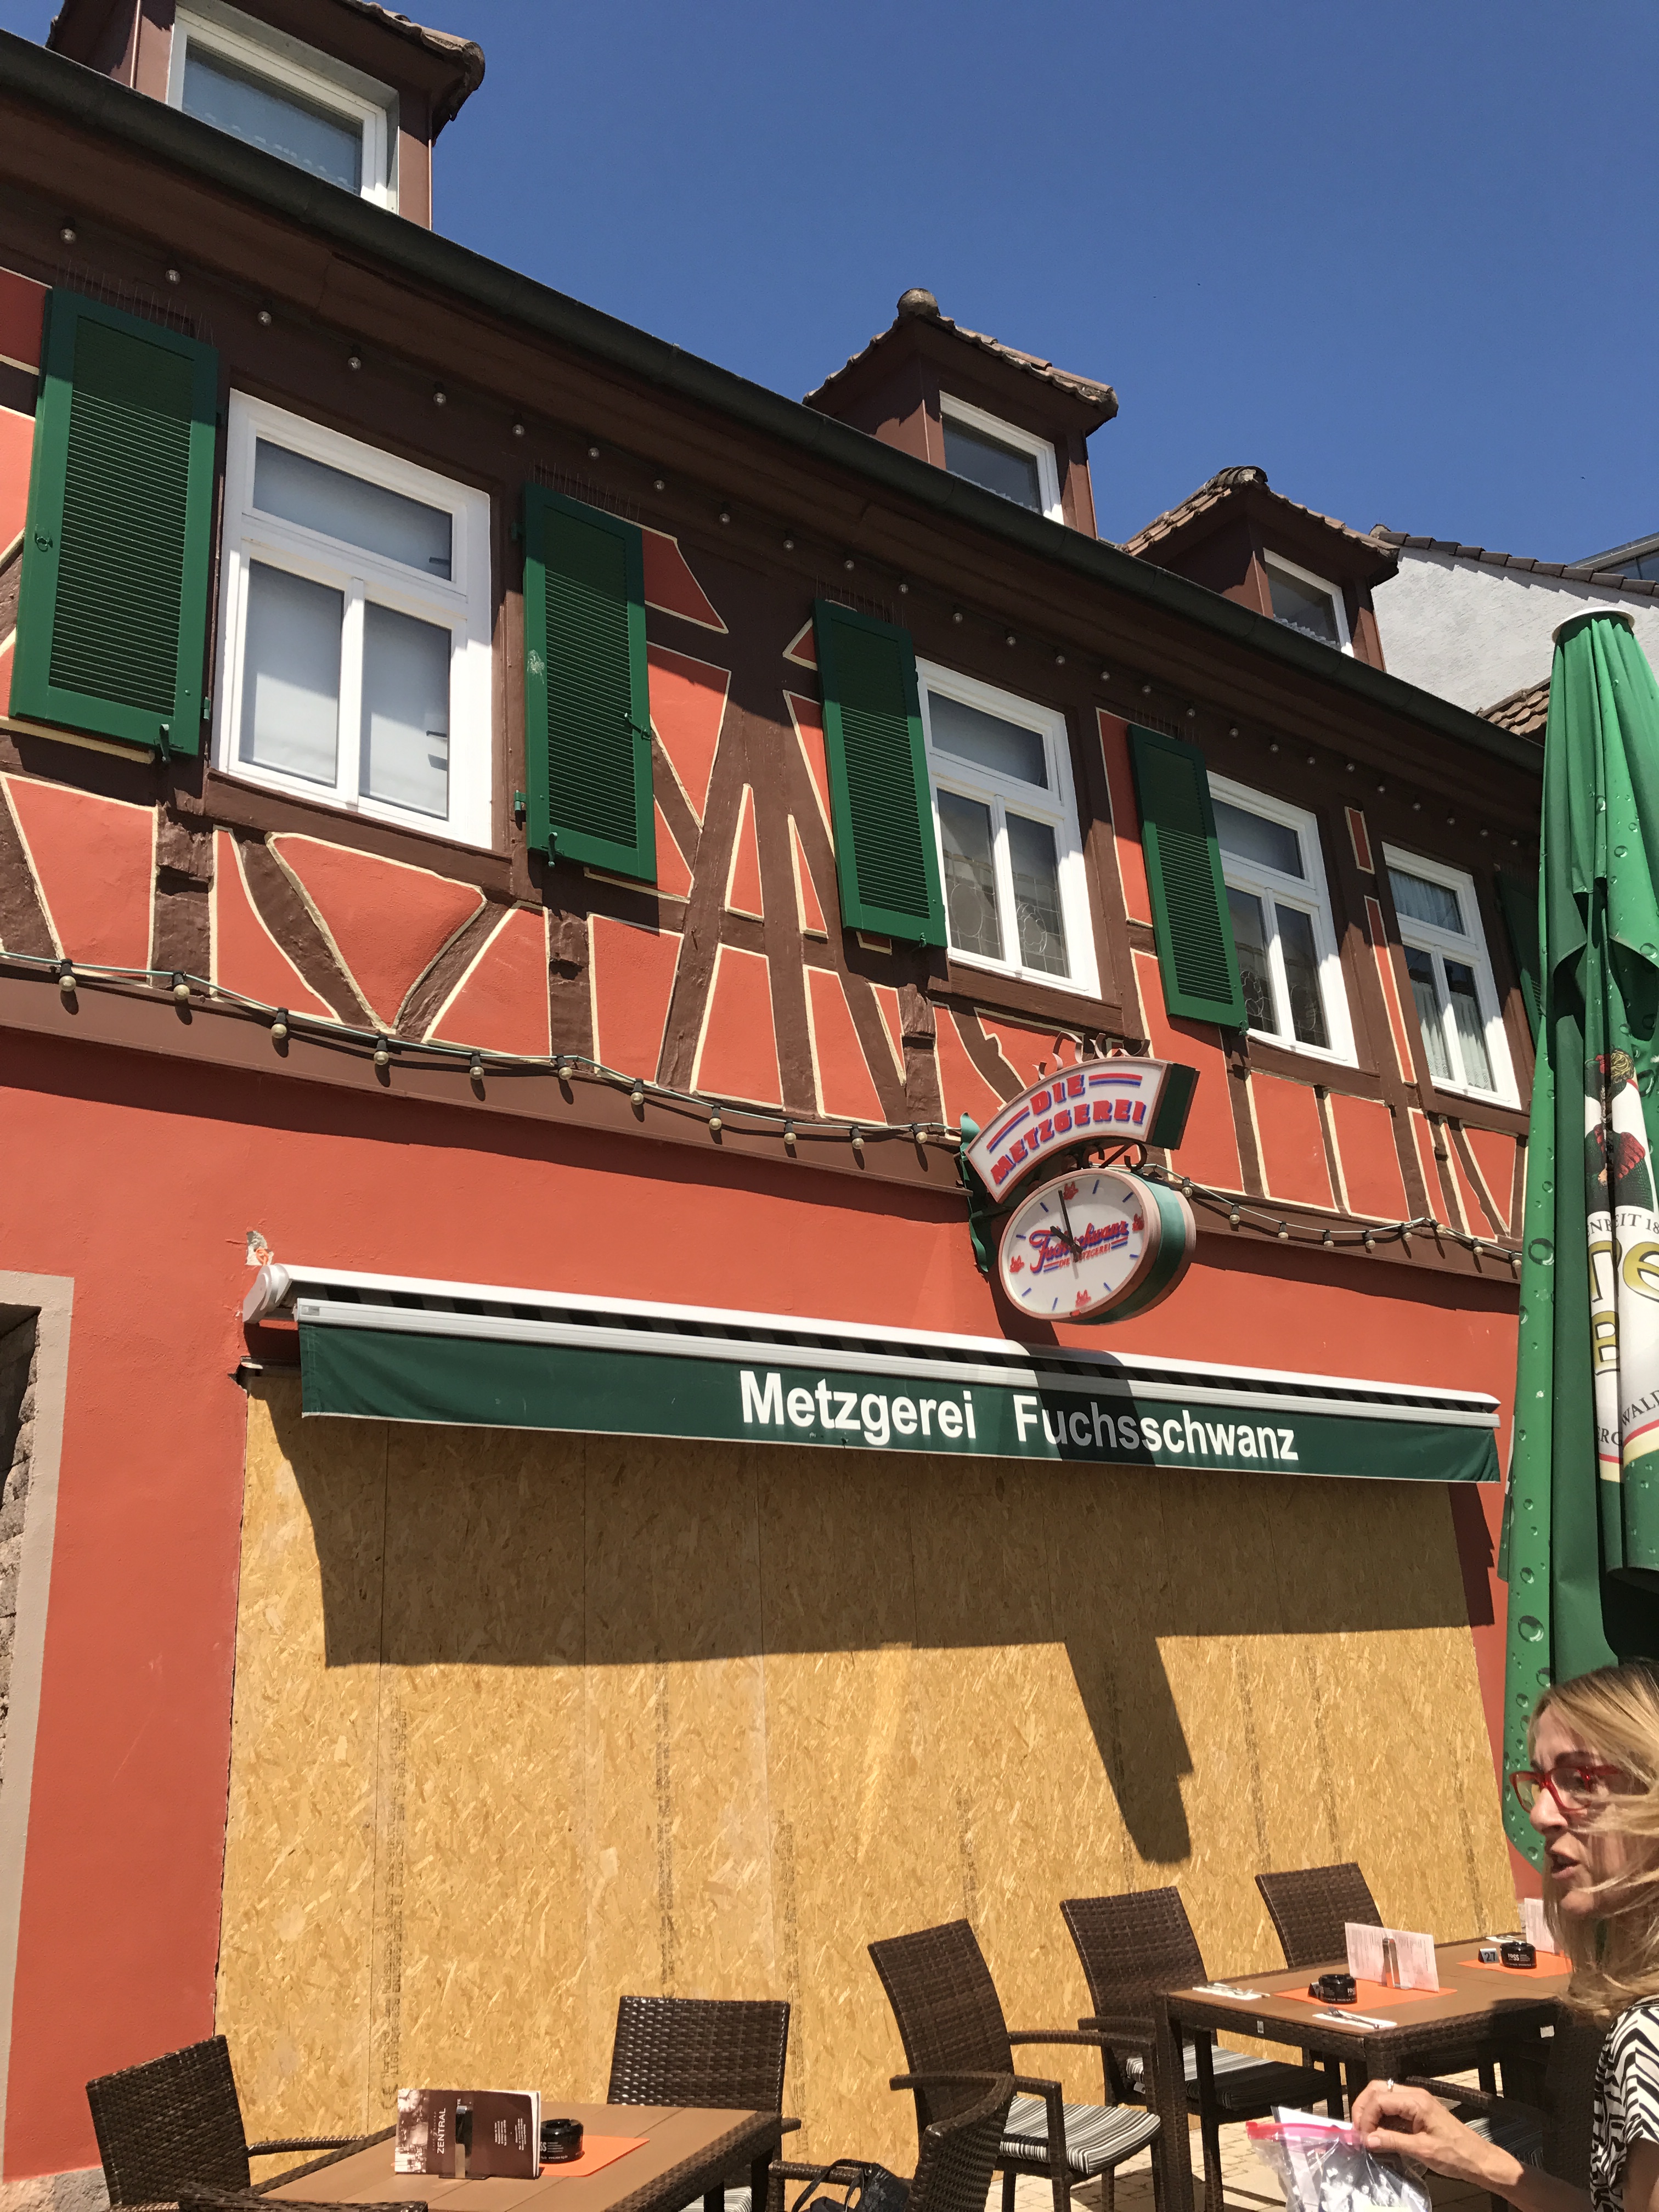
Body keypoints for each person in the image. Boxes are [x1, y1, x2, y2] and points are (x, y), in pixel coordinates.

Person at [1353, 1660, 1659, 2212]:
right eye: (1540, 1783)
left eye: (1580, 1780)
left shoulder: (1647, 2038)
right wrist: (1472, 2156)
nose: (1541, 1814)